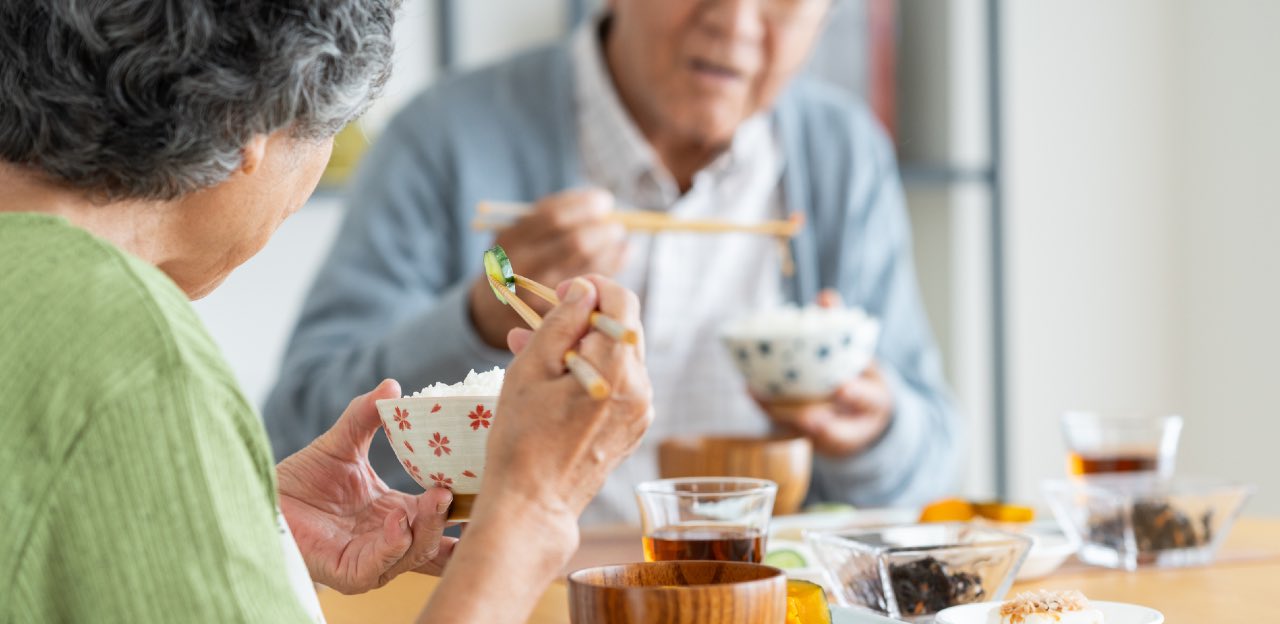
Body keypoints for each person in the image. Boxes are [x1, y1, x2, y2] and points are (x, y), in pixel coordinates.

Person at [0, 1, 651, 624]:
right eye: (330, 133)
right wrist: (531, 509)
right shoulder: (124, 349)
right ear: (252, 117)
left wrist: (240, 523)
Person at [266, 0, 959, 524]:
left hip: (766, 623)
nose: (737, 21)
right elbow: (300, 436)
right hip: (509, 609)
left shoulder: (842, 152)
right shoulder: (446, 134)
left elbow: (928, 467)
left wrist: (869, 428)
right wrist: (479, 317)